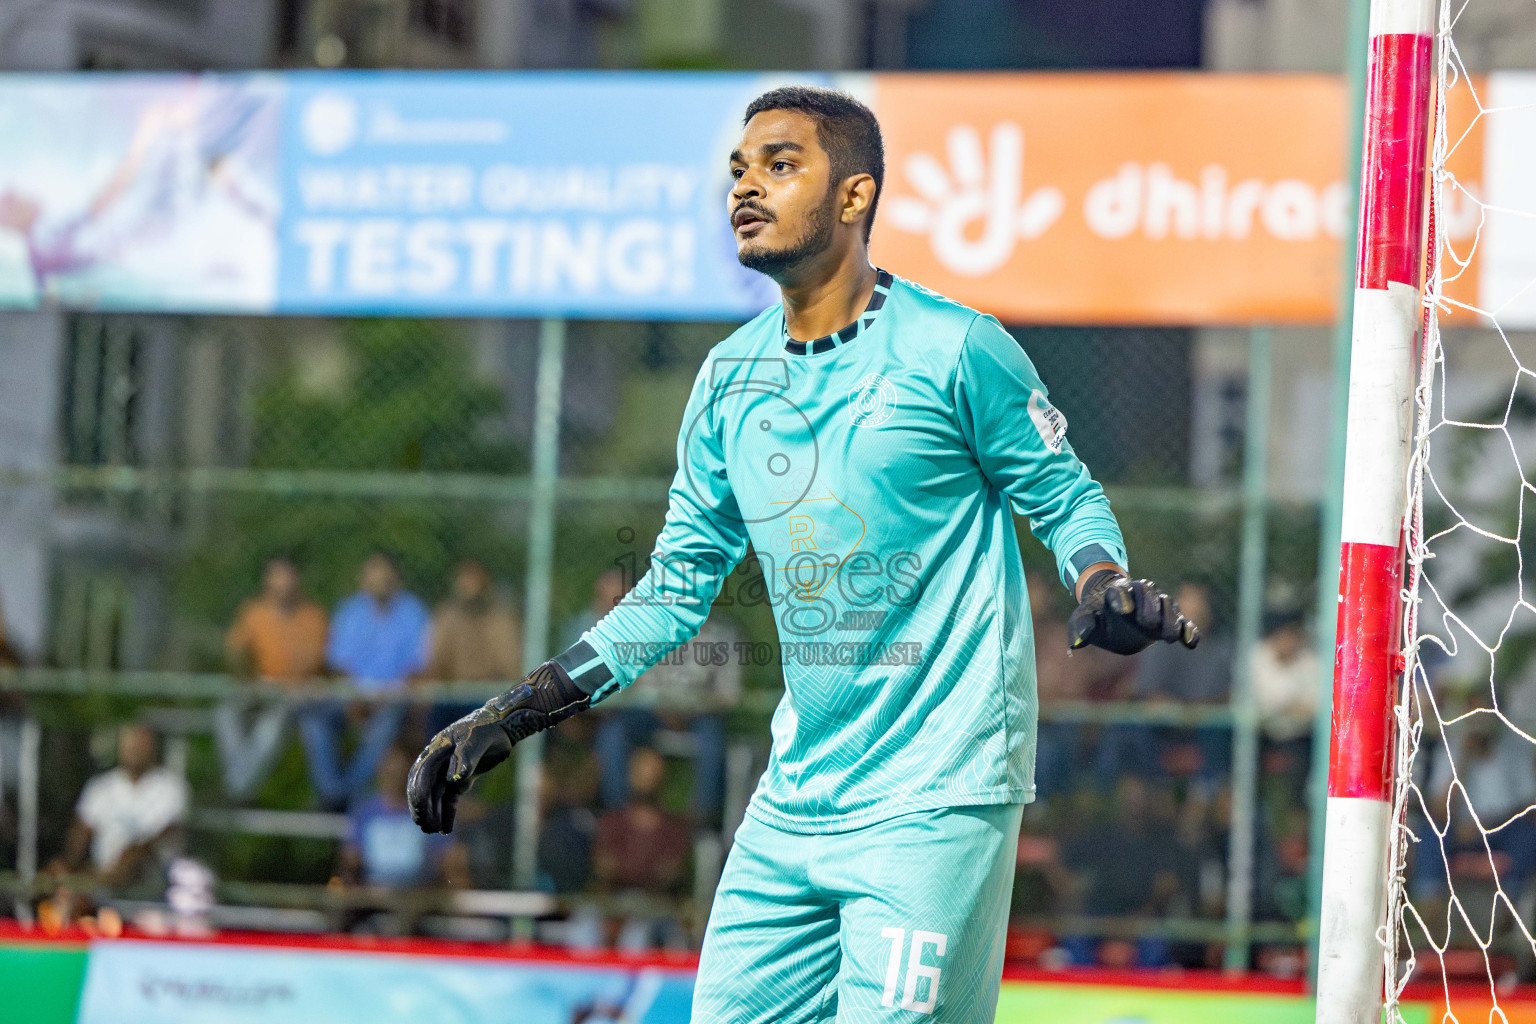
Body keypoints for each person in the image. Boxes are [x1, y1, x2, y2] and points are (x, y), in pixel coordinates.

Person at [409, 86, 1197, 1023]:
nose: (747, 186)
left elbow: (1063, 494)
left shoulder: (958, 349)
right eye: (739, 169)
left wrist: (1100, 578)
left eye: (781, 165)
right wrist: (515, 710)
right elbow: (671, 593)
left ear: (855, 196)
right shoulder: (728, 378)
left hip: (936, 796)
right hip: (796, 800)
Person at [298, 552, 427, 809]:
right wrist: (353, 697)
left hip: (393, 699)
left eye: (384, 575)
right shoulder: (350, 611)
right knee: (313, 720)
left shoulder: (413, 612)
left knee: (387, 722)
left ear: (396, 579)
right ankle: (332, 792)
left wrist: (385, 697)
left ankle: (349, 793)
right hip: (351, 695)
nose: (378, 581)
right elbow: (337, 663)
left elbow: (418, 665)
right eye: (372, 574)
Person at [594, 611, 742, 825]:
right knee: (614, 731)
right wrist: (665, 706)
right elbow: (644, 680)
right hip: (655, 710)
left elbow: (729, 695)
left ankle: (704, 820)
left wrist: (691, 707)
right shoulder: (656, 629)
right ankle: (616, 813)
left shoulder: (725, 636)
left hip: (700, 715)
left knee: (712, 742)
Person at [217, 557, 328, 800]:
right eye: (277, 576)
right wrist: (249, 677)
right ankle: (239, 782)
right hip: (259, 690)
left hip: (296, 698)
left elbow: (319, 663)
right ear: (267, 581)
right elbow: (234, 650)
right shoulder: (254, 613)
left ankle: (237, 790)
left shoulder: (313, 617)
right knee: (225, 714)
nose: (283, 583)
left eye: (287, 576)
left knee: (272, 725)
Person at [51, 724, 188, 887]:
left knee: (131, 858)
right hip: (101, 874)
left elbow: (167, 832)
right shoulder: (101, 786)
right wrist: (68, 864)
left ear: (151, 745)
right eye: (129, 742)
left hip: (153, 880)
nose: (133, 748)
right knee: (53, 875)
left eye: (140, 742)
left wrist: (131, 855)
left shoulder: (171, 787)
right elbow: (82, 831)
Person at [591, 747, 693, 951]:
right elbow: (603, 868)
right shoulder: (612, 821)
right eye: (641, 772)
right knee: (583, 932)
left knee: (637, 937)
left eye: (653, 773)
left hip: (655, 908)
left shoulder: (675, 828)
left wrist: (626, 870)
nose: (647, 779)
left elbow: (669, 874)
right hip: (611, 904)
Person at [425, 559, 523, 734]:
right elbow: (435, 662)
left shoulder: (500, 621)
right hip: (451, 696)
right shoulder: (446, 618)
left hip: (485, 697)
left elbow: (511, 668)